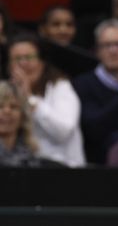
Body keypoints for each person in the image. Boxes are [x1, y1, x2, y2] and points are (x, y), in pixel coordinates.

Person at [72, 18, 118, 165]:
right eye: (106, 45)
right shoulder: (82, 84)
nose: (113, 50)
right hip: (101, 168)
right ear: (97, 51)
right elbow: (92, 129)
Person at [7, 33, 85, 167]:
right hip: (22, 170)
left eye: (29, 57)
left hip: (66, 171)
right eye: (17, 58)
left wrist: (30, 100)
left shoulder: (60, 87)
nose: (23, 63)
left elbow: (63, 131)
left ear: (42, 62)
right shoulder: (5, 94)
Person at [0, 80, 40, 167]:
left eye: (13, 107)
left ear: (23, 116)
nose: (7, 111)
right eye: (0, 106)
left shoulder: (31, 156)